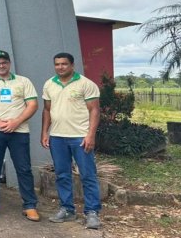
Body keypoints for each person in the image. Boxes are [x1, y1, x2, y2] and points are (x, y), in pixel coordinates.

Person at [0, 50, 40, 221]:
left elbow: (32, 105)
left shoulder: (23, 81)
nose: (1, 65)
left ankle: (30, 205)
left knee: (24, 168)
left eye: (4, 62)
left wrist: (16, 122)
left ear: (9, 63)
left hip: (19, 131)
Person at [41, 52, 102, 229]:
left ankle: (92, 212)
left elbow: (95, 111)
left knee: (88, 175)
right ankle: (67, 209)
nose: (60, 67)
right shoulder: (49, 84)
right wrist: (45, 132)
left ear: (72, 65)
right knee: (62, 175)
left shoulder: (85, 84)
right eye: (57, 64)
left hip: (80, 137)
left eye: (64, 64)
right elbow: (47, 110)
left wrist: (90, 135)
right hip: (58, 137)